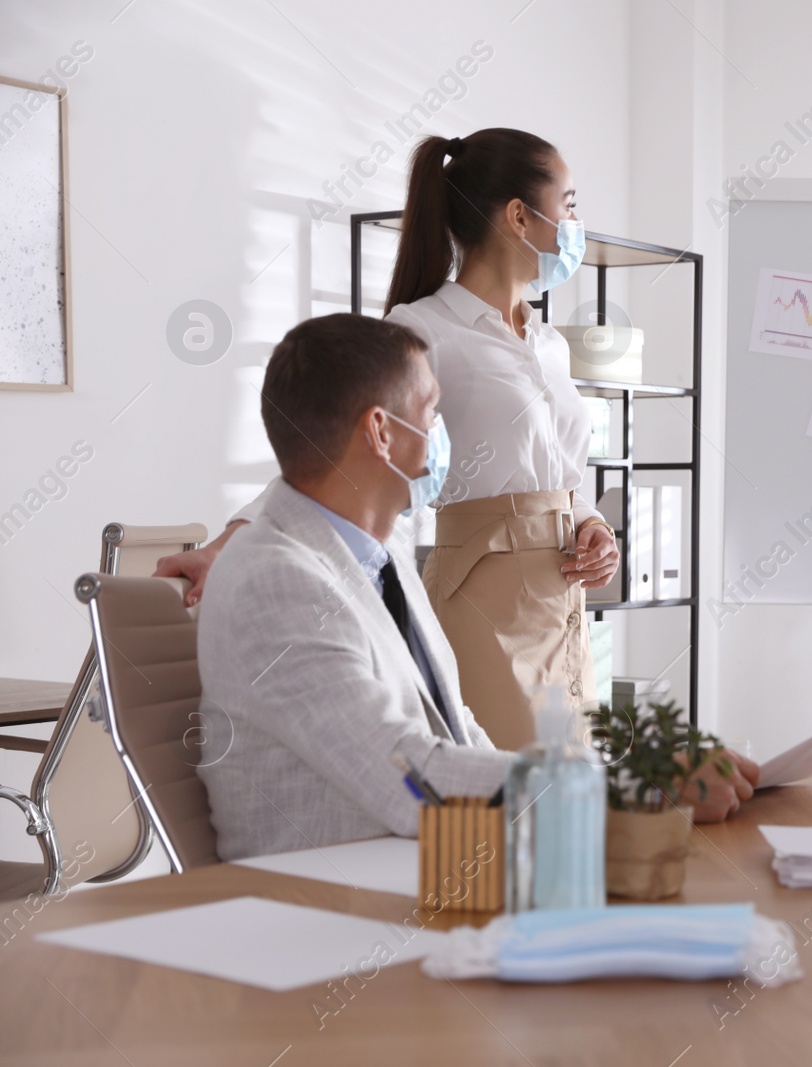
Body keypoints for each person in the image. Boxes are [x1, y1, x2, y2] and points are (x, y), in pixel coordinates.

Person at [198, 314, 754, 861]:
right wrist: (634, 786)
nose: (444, 433)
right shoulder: (276, 578)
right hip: (326, 902)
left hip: (434, 869)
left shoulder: (381, 553)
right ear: (380, 431)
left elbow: (458, 734)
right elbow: (409, 775)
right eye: (432, 411)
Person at [164, 128, 617, 753]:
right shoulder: (425, 328)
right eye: (568, 204)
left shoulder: (549, 344)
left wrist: (592, 523)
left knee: (575, 801)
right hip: (483, 599)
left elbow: (565, 470)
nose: (575, 221)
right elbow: (338, 456)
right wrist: (232, 540)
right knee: (511, 811)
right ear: (520, 215)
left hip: (561, 603)